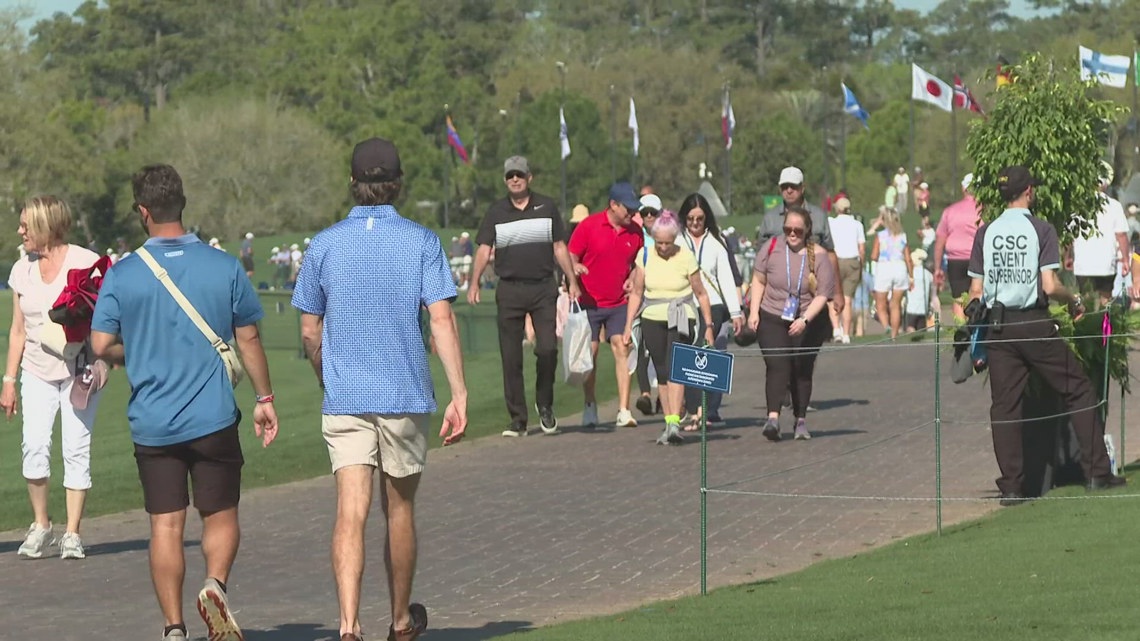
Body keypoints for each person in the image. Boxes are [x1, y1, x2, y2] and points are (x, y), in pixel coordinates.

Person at [90, 164, 279, 641]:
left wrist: (136, 349)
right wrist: (264, 397)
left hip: (153, 421)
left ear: (143, 211)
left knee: (166, 526)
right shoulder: (224, 265)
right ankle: (214, 584)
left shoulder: (124, 273)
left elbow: (100, 344)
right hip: (212, 416)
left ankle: (173, 628)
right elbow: (249, 334)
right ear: (183, 204)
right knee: (220, 513)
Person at [291, 138, 466, 641]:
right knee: (400, 510)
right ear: (398, 183)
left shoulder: (324, 243)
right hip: (404, 393)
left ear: (353, 183)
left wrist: (325, 372)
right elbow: (441, 319)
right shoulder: (422, 241)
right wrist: (459, 393)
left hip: (346, 393)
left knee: (350, 510)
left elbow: (309, 329)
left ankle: (348, 625)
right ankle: (401, 620)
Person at [967, 165, 1124, 505]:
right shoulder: (1040, 229)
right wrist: (1075, 300)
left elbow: (974, 290)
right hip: (1034, 323)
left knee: (1004, 407)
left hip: (998, 326)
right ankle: (1097, 472)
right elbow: (1050, 285)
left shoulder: (987, 232)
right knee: (1078, 389)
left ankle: (1011, 487)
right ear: (1030, 192)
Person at [2, 196, 103, 560]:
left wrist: (104, 357)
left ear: (47, 225)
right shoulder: (21, 270)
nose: (20, 231)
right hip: (36, 371)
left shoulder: (86, 263)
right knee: (34, 446)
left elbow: (105, 318)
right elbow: (17, 331)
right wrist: (9, 380)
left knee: (76, 447)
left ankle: (72, 533)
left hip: (79, 371)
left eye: (26, 225)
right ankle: (41, 524)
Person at [468, 156, 580, 437]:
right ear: (505, 180)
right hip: (509, 289)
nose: (514, 180)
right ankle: (518, 419)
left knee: (547, 349)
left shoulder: (546, 206)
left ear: (529, 177)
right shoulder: (496, 212)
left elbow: (558, 246)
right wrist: (474, 282)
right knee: (511, 356)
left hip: (542, 287)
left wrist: (572, 279)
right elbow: (483, 249)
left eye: (519, 175)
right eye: (510, 176)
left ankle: (545, 405)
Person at [626, 210, 715, 445]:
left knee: (676, 367)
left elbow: (701, 293)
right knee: (662, 370)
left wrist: (708, 325)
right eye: (659, 243)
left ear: (675, 239)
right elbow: (636, 292)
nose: (663, 247)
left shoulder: (685, 257)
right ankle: (668, 421)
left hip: (681, 315)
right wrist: (628, 326)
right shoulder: (644, 255)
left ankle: (675, 421)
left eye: (668, 243)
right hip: (652, 316)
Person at [749, 206, 836, 441]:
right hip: (772, 315)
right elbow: (758, 279)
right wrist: (754, 311)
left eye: (797, 229)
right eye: (788, 229)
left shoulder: (818, 255)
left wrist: (805, 320)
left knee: (801, 369)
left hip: (807, 319)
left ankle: (800, 419)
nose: (792, 234)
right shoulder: (772, 247)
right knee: (778, 364)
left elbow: (823, 294)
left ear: (807, 230)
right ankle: (773, 418)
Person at [568, 182, 644, 429]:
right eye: (628, 209)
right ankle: (590, 405)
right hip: (589, 301)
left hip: (618, 302)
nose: (631, 214)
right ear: (613, 205)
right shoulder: (588, 226)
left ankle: (624, 409)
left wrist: (633, 279)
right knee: (590, 354)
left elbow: (638, 265)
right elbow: (571, 255)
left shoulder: (635, 232)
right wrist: (575, 269)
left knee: (622, 347)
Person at [677, 193, 743, 427]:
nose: (695, 223)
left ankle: (708, 410)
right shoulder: (676, 242)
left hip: (713, 305)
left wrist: (735, 312)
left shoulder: (717, 243)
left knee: (710, 357)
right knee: (687, 360)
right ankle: (694, 410)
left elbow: (726, 278)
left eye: (700, 219)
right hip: (684, 306)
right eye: (691, 218)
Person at [758, 167, 842, 316]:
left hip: (811, 295)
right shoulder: (770, 219)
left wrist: (837, 292)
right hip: (776, 298)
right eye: (784, 187)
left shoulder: (818, 216)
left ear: (802, 188)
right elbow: (761, 261)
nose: (789, 191)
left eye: (794, 186)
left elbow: (830, 254)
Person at [1068, 164, 1129, 306]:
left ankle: (1084, 326)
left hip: (1083, 263)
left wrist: (1068, 256)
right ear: (1106, 184)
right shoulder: (1114, 206)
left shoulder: (1078, 205)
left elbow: (1070, 234)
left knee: (1084, 300)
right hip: (1106, 263)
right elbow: (1121, 235)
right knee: (1105, 301)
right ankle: (1105, 327)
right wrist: (1126, 260)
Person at [934, 173, 982, 322]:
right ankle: (975, 329)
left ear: (963, 188)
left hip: (955, 259)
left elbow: (940, 240)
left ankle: (960, 331)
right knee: (978, 294)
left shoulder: (950, 211)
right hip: (978, 258)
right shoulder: (983, 210)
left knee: (958, 298)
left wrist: (937, 267)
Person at [633, 195, 663, 417]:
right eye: (645, 213)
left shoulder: (668, 234)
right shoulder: (636, 236)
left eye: (653, 212)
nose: (649, 217)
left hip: (664, 295)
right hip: (641, 294)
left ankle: (665, 395)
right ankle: (645, 394)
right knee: (640, 345)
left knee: (663, 348)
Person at [871, 208, 914, 339]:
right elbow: (908, 258)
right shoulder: (903, 236)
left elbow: (873, 255)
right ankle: (894, 335)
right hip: (900, 267)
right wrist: (911, 276)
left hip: (885, 267)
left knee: (880, 303)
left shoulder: (880, 236)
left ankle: (886, 326)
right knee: (895, 304)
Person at [826, 196, 864, 344]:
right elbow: (861, 249)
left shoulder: (831, 223)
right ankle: (847, 333)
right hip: (852, 260)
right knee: (848, 300)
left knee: (832, 297)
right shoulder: (857, 224)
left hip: (835, 260)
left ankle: (837, 330)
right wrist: (861, 266)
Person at [904, 248, 936, 333]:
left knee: (910, 328)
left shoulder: (909, 274)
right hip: (923, 308)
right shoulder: (928, 274)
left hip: (911, 308)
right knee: (921, 330)